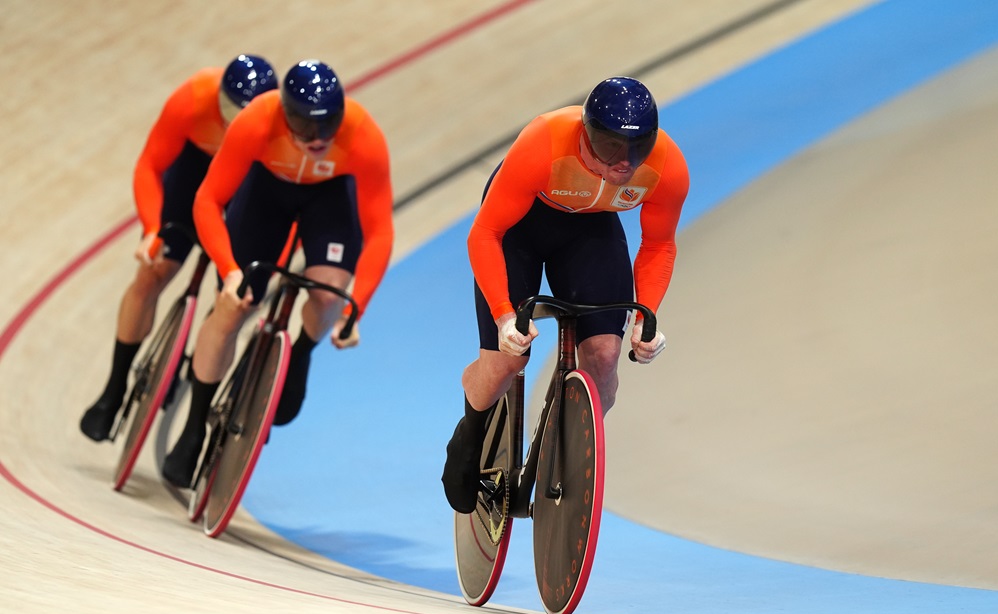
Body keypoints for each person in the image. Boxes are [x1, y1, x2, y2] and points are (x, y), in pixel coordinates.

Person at [441, 76, 690, 513]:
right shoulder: (544, 141)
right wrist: (503, 315)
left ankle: (565, 450)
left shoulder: (668, 166)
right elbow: (486, 233)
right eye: (610, 147)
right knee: (506, 362)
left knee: (606, 359)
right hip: (520, 227)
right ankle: (472, 427)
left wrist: (646, 318)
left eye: (637, 148)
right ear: (585, 133)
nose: (624, 163)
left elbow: (658, 245)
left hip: (590, 230)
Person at [160, 60, 394, 488]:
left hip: (328, 199)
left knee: (328, 296)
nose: (318, 139)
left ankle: (299, 352)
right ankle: (194, 426)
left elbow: (379, 229)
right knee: (232, 307)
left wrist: (356, 308)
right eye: (304, 128)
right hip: (267, 192)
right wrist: (229, 272)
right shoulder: (255, 122)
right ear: (284, 115)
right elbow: (207, 201)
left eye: (327, 127)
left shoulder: (363, 136)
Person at [80, 54, 278, 442]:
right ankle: (114, 387)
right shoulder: (192, 98)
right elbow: (150, 166)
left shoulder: (280, 128)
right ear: (218, 96)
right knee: (154, 270)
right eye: (227, 110)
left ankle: (199, 376)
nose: (232, 122)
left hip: (244, 184)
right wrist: (153, 228)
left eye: (244, 116)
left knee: (231, 300)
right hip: (195, 171)